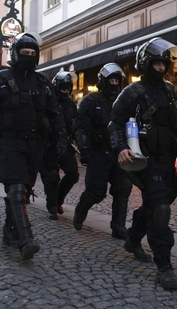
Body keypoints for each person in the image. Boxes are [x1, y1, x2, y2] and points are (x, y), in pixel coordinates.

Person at [108, 37, 177, 290]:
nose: (161, 68)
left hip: (166, 160)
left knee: (154, 204)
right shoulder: (132, 92)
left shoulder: (170, 91)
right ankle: (164, 268)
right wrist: (121, 148)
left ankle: (133, 239)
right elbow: (115, 123)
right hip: (143, 161)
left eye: (164, 64)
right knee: (161, 209)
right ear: (146, 63)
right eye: (156, 63)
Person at [0, 32, 68, 260]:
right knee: (16, 188)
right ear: (15, 54)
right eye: (25, 53)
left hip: (36, 144)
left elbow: (56, 115)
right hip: (9, 142)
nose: (29, 57)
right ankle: (25, 239)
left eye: (33, 54)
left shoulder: (43, 83)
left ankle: (9, 231)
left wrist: (62, 139)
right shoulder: (0, 81)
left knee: (23, 190)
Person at [72, 63, 132, 239]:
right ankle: (81, 210)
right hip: (99, 152)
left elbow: (132, 125)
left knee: (123, 188)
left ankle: (118, 226)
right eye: (111, 80)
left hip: (120, 152)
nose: (114, 83)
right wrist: (84, 150)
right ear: (103, 81)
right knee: (96, 191)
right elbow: (81, 127)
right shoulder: (90, 101)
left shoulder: (125, 103)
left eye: (116, 80)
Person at [39, 71, 80, 220]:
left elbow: (75, 122)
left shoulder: (70, 103)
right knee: (51, 176)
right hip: (49, 144)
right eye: (62, 87)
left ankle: (59, 199)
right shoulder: (48, 101)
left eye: (67, 87)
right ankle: (52, 207)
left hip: (66, 143)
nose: (65, 89)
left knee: (73, 173)